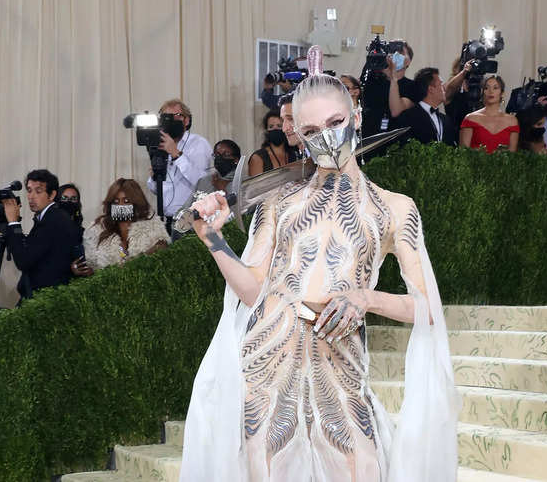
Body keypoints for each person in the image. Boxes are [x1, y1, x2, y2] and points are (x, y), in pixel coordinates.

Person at [179, 47, 458, 481]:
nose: (325, 137)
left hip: (339, 370)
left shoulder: (395, 209)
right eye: (311, 129)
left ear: (357, 115)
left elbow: (427, 309)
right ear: (297, 135)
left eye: (335, 123)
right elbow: (252, 291)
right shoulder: (277, 203)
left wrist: (364, 298)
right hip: (268, 371)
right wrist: (211, 239)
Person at [2, 169, 81, 299]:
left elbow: (23, 261)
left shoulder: (52, 220)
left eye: (38, 191)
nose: (31, 196)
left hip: (45, 300)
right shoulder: (51, 216)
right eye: (29, 190)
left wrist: (13, 223)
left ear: (52, 195)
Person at [146, 98, 212, 233]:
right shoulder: (160, 143)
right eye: (165, 118)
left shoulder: (198, 143)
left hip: (191, 219)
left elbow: (202, 182)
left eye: (174, 117)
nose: (169, 122)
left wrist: (176, 153)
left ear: (186, 120)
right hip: (165, 219)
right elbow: (155, 189)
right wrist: (154, 177)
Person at [77, 178, 169, 273]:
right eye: (116, 202)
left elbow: (163, 252)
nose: (121, 206)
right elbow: (92, 266)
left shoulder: (152, 226)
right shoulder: (97, 229)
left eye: (126, 201)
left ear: (136, 203)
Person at [178, 139, 242, 223]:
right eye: (217, 155)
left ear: (236, 159)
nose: (219, 158)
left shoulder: (243, 182)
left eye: (225, 155)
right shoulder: (204, 181)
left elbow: (241, 213)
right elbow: (186, 209)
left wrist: (222, 189)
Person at [396, 67, 459, 146]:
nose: (444, 89)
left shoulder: (446, 120)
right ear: (431, 89)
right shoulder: (408, 117)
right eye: (441, 84)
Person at [460, 75, 519, 153]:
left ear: (502, 93)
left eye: (495, 88)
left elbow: (512, 154)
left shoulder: (512, 121)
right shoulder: (471, 118)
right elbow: (463, 152)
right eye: (486, 88)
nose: (491, 91)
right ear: (482, 92)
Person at [248, 110, 300, 176]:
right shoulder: (257, 158)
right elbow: (255, 186)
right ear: (266, 131)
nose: (275, 129)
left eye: (279, 126)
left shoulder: (295, 154)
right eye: (271, 127)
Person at [444, 57, 477, 128]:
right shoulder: (452, 88)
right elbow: (449, 88)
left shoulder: (479, 86)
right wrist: (464, 72)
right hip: (455, 133)